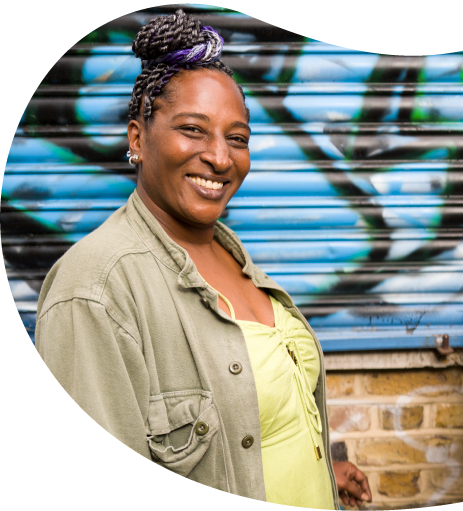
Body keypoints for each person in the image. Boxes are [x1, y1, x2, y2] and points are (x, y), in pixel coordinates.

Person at [35, 10, 370, 509]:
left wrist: (316, 468)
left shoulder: (229, 255)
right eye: (193, 130)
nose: (220, 157)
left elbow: (243, 432)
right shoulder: (95, 288)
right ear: (137, 139)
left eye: (237, 138)